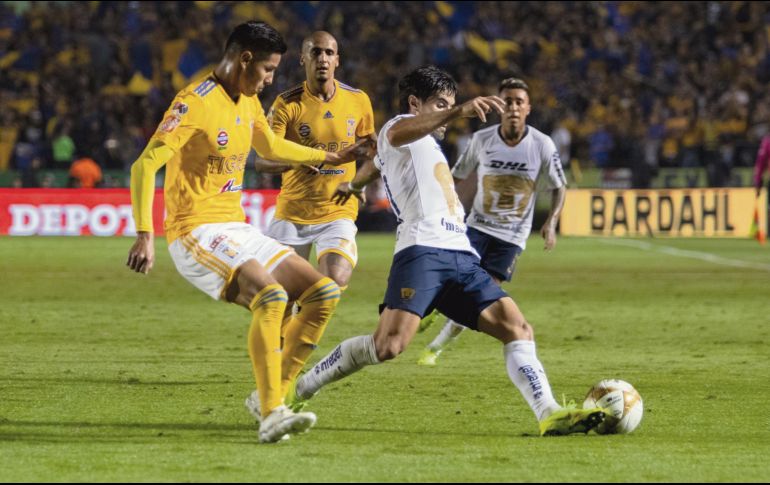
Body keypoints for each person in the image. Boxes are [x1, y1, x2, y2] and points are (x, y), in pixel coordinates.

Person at [291, 66, 605, 436]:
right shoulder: (399, 126)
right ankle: (300, 387)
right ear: (414, 104)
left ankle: (548, 412)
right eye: (440, 104)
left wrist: (354, 185)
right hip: (422, 249)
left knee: (518, 328)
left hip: (461, 251)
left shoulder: (419, 142)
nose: (448, 111)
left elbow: (376, 162)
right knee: (389, 344)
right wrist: (458, 112)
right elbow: (392, 137)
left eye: (450, 104)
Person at [125, 21, 373, 444]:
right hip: (195, 231)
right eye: (268, 70)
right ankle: (273, 410)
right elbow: (145, 165)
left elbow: (272, 148)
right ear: (244, 59)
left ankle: (267, 396)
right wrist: (145, 233)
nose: (272, 79)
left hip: (234, 227)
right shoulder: (196, 102)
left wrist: (328, 155)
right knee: (272, 296)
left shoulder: (248, 100)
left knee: (322, 294)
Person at [242, 31, 376, 421]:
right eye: (315, 52)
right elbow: (262, 161)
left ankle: (277, 388)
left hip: (337, 210)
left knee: (334, 278)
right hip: (291, 217)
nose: (322, 58)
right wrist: (303, 160)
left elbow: (370, 150)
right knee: (276, 310)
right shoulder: (286, 104)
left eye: (329, 52)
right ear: (302, 59)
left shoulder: (358, 100)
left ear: (338, 59)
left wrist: (361, 182)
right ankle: (276, 374)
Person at [417, 78, 567, 366]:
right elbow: (456, 176)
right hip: (476, 227)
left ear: (528, 108)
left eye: (518, 102)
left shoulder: (542, 145)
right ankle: (436, 308)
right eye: (507, 101)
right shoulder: (481, 140)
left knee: (481, 294)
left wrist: (552, 221)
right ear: (499, 106)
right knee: (454, 278)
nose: (512, 107)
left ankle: (435, 348)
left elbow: (560, 185)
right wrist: (441, 207)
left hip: (511, 237)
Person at [753, 132, 770, 197]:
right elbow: (761, 163)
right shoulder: (768, 142)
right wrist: (758, 181)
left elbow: (760, 163)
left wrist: (758, 181)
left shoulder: (767, 142)